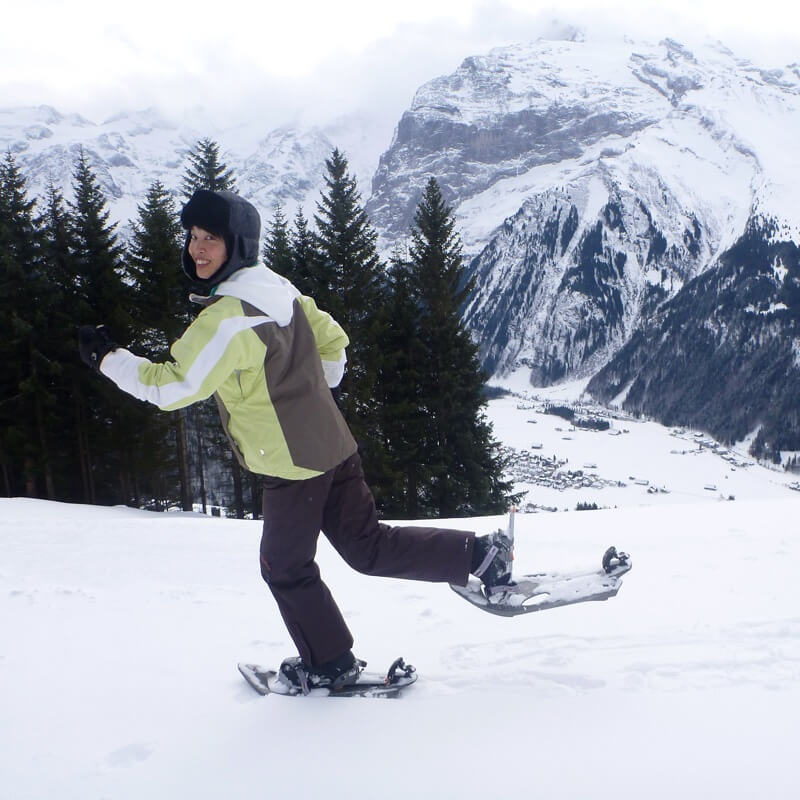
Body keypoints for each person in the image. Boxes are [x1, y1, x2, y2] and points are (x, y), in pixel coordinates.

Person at [79, 189, 512, 692]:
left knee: (284, 567)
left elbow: (174, 386)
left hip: (292, 466)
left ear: (236, 244)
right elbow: (334, 343)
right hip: (333, 445)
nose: (197, 249)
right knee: (368, 546)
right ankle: (480, 556)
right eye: (193, 236)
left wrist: (107, 359)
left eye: (210, 238)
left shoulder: (228, 318)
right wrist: (309, 391)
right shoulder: (279, 289)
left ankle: (330, 663)